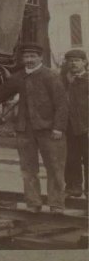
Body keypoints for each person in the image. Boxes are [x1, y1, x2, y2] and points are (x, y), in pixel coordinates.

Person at [0, 42, 68, 213]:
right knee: (28, 169)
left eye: (33, 57)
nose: (29, 60)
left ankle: (56, 204)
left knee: (55, 168)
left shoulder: (50, 76)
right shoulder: (18, 77)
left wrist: (58, 128)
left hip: (49, 130)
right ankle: (33, 203)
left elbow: (62, 105)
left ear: (40, 58)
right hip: (24, 130)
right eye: (26, 57)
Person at [62, 49, 88, 197]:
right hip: (68, 127)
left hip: (86, 127)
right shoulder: (63, 80)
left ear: (84, 62)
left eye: (77, 60)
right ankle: (74, 187)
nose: (73, 63)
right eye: (70, 60)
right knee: (71, 158)